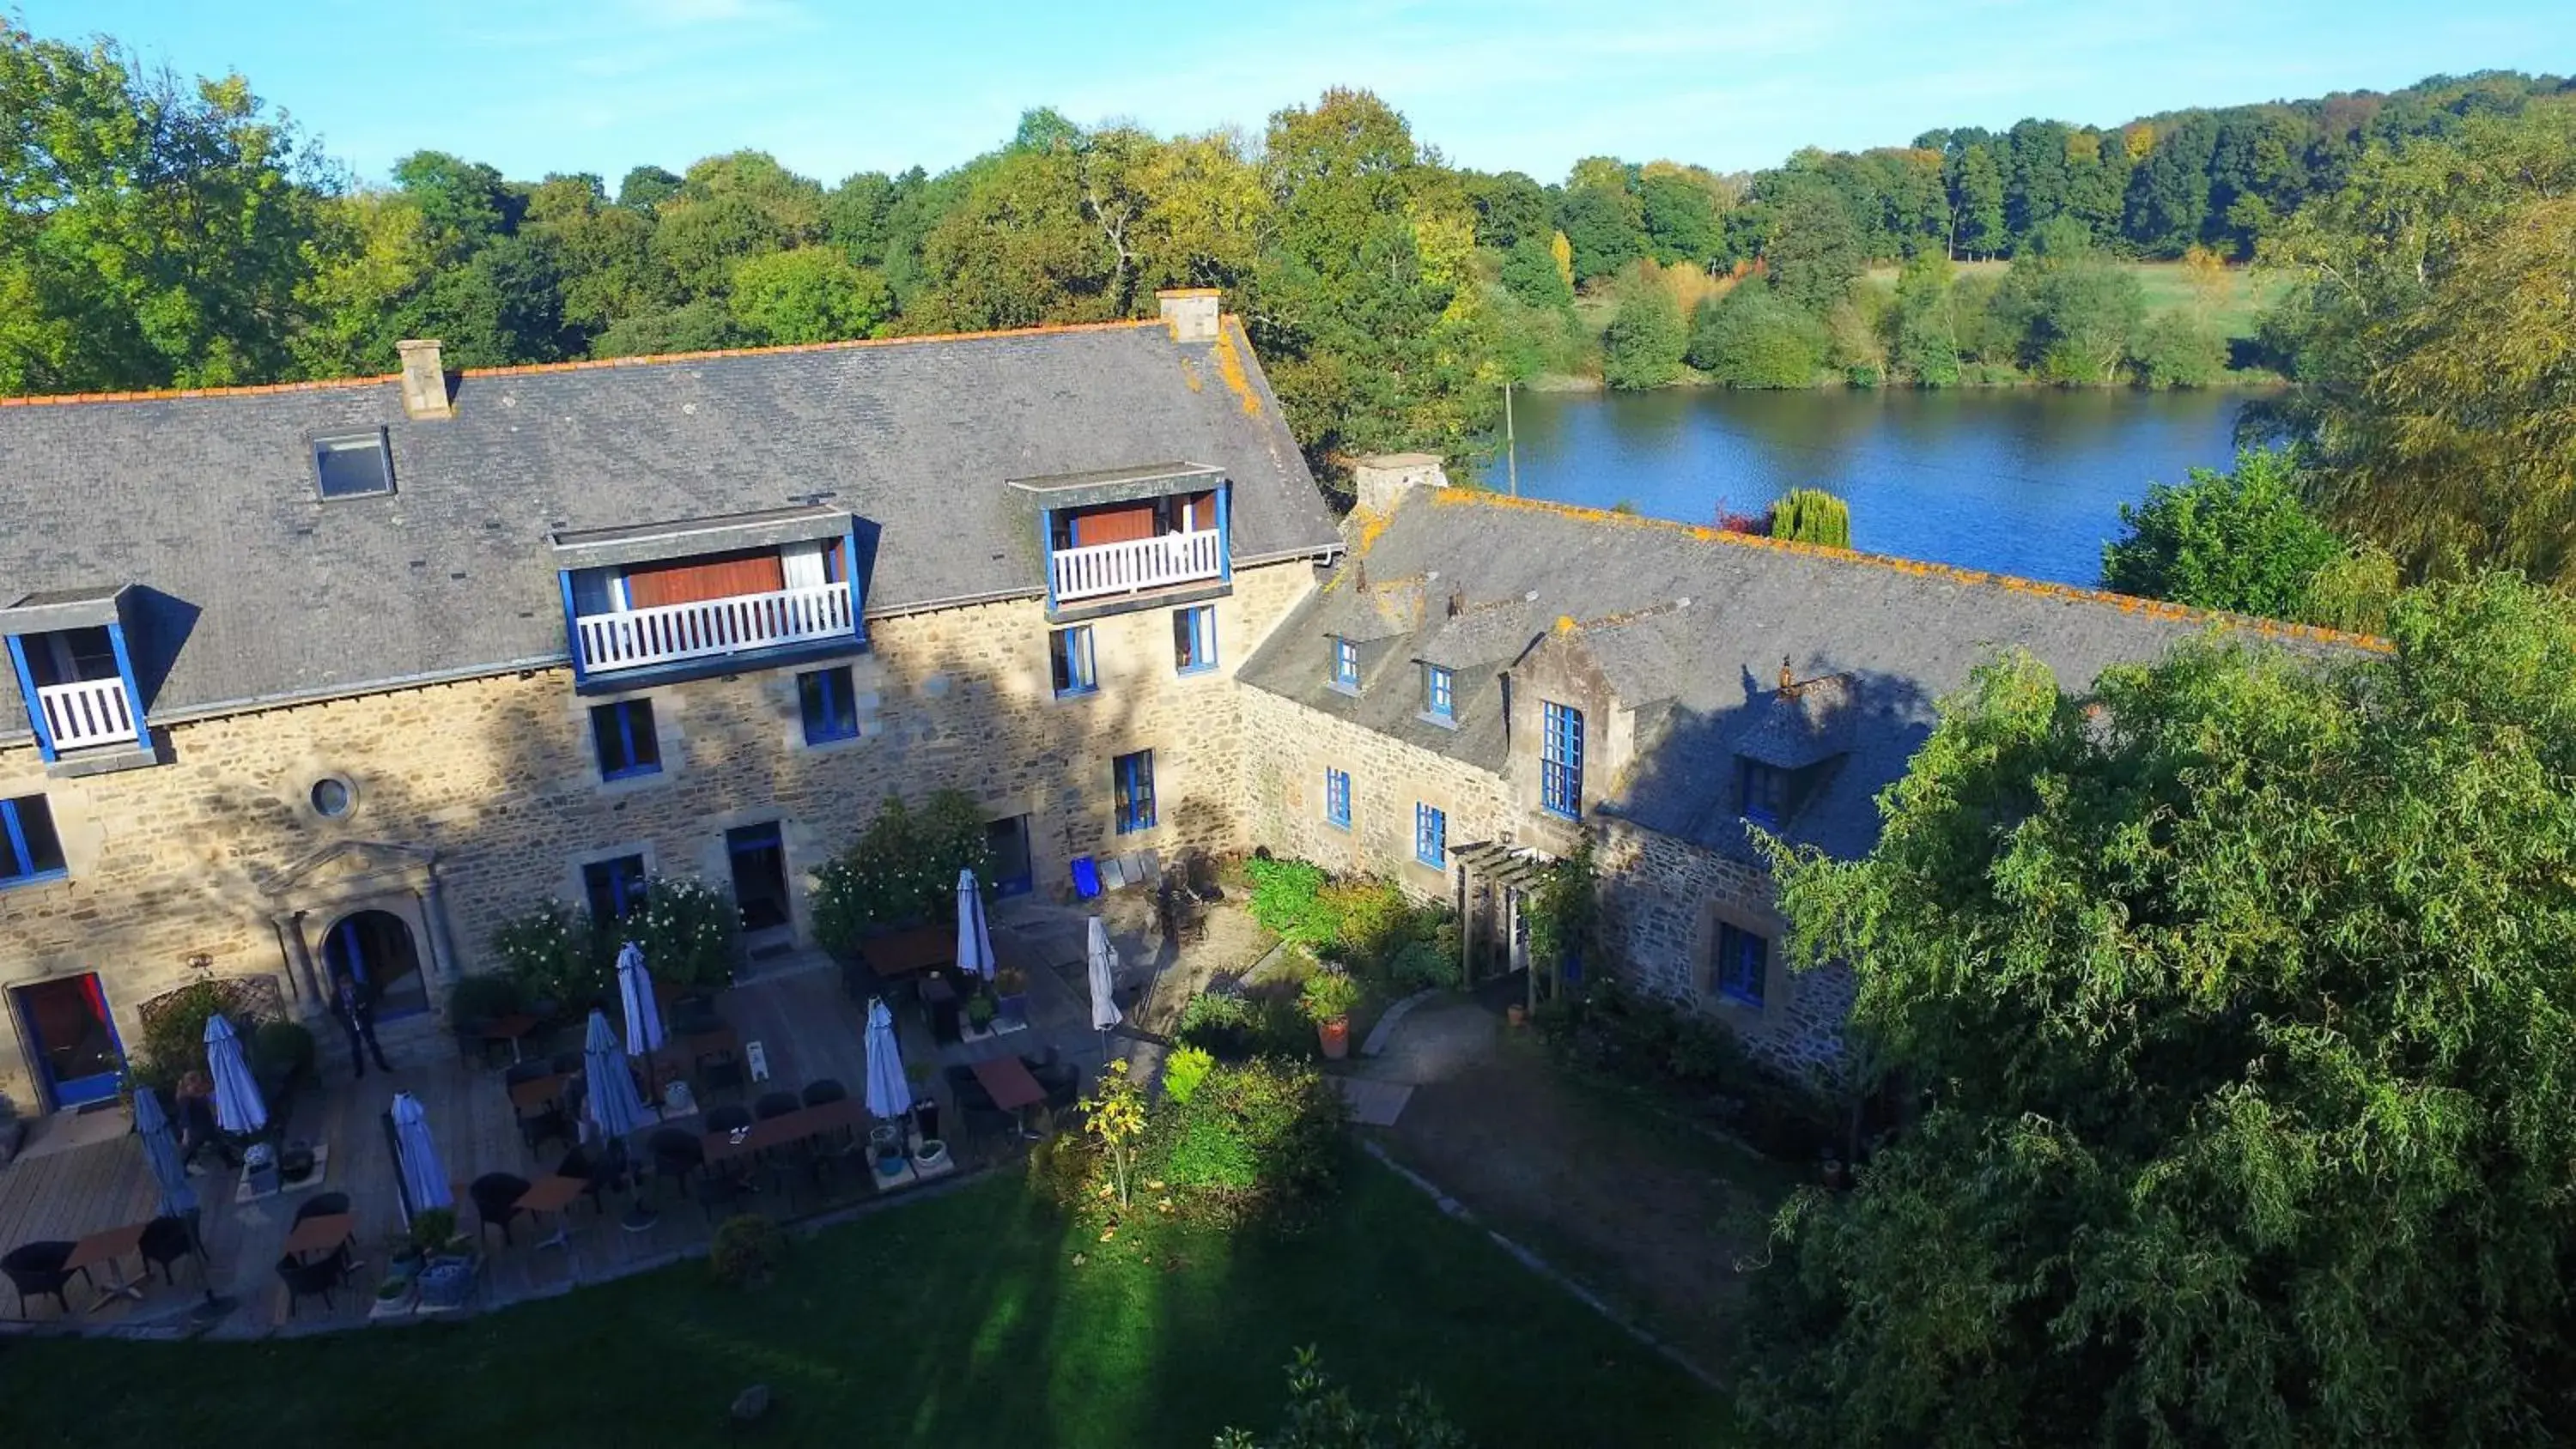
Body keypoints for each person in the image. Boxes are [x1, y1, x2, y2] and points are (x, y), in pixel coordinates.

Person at [173, 1071, 237, 1175]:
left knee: (219, 1143)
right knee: (189, 1150)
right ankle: (181, 1170)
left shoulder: (197, 1094)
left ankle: (231, 1162)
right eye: (197, 1083)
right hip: (196, 1129)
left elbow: (209, 1099)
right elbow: (185, 1116)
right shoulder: (185, 1099)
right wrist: (186, 1134)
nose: (199, 1085)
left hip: (206, 1126)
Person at [333, 969, 393, 1079]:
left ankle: (382, 1064)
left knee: (372, 1042)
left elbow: (371, 998)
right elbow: (334, 1010)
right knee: (355, 1046)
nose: (346, 988)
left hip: (363, 1019)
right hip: (350, 1023)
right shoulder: (337, 996)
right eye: (343, 985)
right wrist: (343, 1018)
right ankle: (359, 1070)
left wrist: (363, 1006)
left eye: (348, 984)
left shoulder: (361, 988)